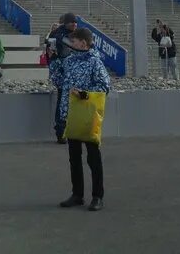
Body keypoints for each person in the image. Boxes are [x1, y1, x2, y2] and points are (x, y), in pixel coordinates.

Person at [51, 27, 110, 212]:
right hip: (72, 115)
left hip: (88, 116)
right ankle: (77, 194)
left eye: (74, 42)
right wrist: (53, 60)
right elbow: (58, 81)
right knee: (74, 157)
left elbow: (104, 86)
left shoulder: (95, 62)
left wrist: (84, 94)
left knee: (93, 158)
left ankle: (97, 196)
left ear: (83, 43)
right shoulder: (68, 61)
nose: (71, 45)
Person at [47, 13, 79, 143]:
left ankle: (69, 130)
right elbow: (53, 55)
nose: (74, 25)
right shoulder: (57, 35)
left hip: (72, 73)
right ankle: (61, 130)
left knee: (71, 101)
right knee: (63, 100)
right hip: (61, 73)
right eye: (72, 22)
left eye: (75, 22)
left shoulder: (75, 34)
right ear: (66, 23)